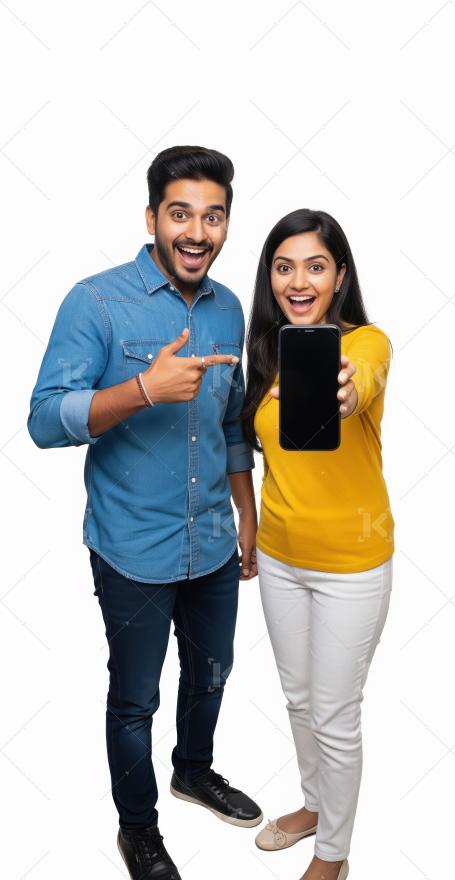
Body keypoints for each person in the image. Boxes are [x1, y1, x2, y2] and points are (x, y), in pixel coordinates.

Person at [27, 145, 262, 880]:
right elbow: (42, 420)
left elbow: (231, 425)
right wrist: (142, 390)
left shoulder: (227, 307)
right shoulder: (95, 302)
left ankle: (195, 769)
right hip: (131, 545)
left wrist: (246, 516)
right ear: (153, 218)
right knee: (135, 698)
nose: (198, 231)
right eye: (182, 213)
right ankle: (140, 828)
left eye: (213, 215)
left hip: (214, 541)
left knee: (213, 672)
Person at [241, 209, 395, 880]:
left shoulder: (367, 343)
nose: (298, 280)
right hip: (279, 555)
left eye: (314, 265)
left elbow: (361, 381)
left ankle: (332, 855)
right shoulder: (268, 353)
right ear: (269, 277)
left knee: (334, 712)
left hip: (350, 565)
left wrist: (345, 390)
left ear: (339, 276)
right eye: (284, 266)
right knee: (298, 696)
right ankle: (311, 804)